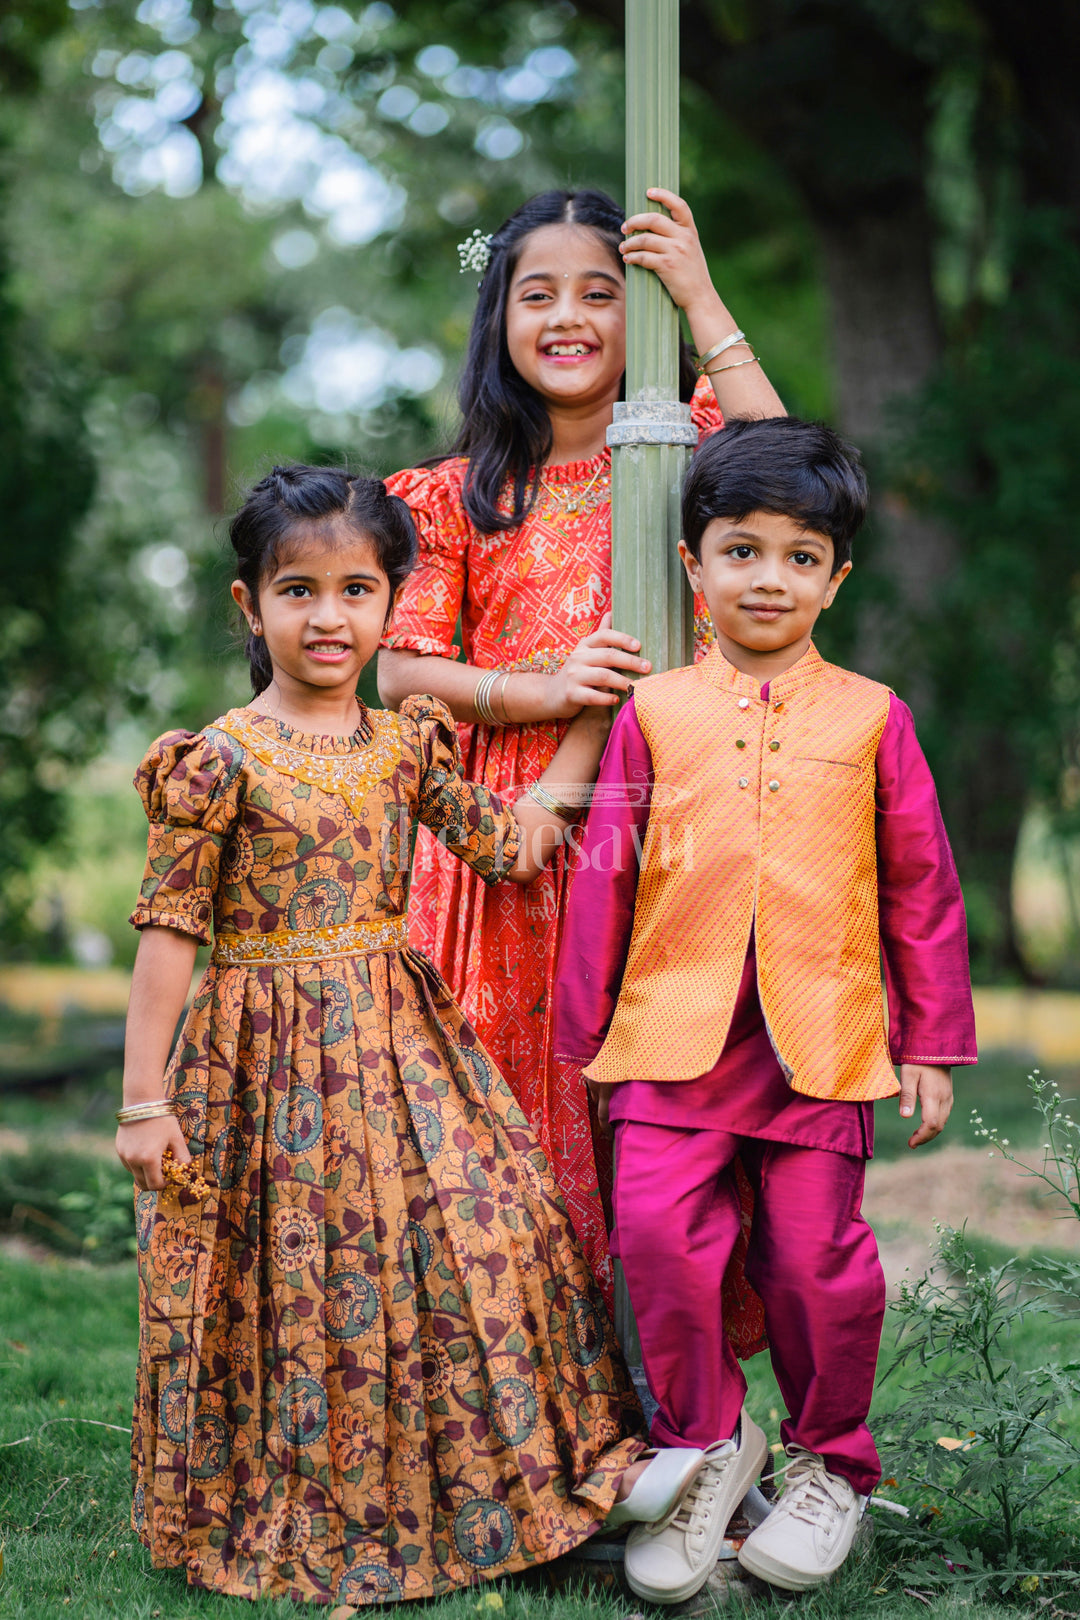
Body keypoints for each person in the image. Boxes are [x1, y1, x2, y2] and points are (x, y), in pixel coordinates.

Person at [114, 465, 710, 1608]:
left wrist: (590, 720)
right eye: (297, 591)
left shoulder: (406, 750)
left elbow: (517, 841)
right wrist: (147, 1102)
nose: (327, 618)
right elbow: (168, 939)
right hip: (258, 1059)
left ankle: (492, 1482)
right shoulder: (219, 762)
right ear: (250, 607)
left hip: (400, 1042)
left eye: (354, 590)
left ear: (394, 605)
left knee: (487, 1232)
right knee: (288, 1277)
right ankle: (297, 1496)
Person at [553, 417, 978, 1604]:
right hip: (665, 1043)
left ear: (836, 581)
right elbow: (607, 878)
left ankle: (830, 1463)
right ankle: (699, 1449)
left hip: (821, 1043)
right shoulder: (654, 713)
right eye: (742, 550)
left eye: (801, 557)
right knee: (661, 1253)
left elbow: (921, 887)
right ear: (696, 565)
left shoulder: (874, 717)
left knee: (816, 1267)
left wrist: (931, 1039)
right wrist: (580, 1042)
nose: (769, 578)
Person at [378, 187, 786, 1301]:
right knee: (497, 1126)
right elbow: (402, 669)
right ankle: (516, 1403)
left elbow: (782, 464)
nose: (570, 317)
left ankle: (670, 1404)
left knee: (662, 1122)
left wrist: (698, 294)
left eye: (603, 293)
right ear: (497, 317)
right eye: (538, 293)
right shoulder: (453, 495)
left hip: (671, 819)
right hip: (506, 845)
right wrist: (545, 688)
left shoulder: (683, 455)